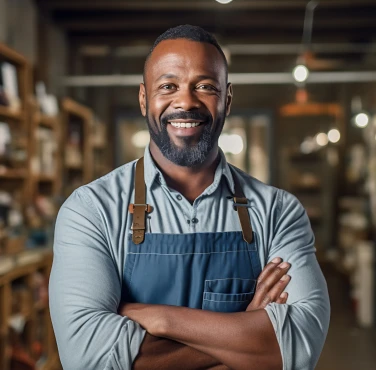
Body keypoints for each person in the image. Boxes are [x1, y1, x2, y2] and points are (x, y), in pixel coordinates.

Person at [49, 25, 330, 370]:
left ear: (227, 99)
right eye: (168, 86)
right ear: (143, 99)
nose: (185, 102)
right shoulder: (91, 209)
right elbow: (88, 358)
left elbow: (300, 347)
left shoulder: (278, 211)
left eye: (205, 86)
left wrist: (161, 320)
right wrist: (248, 333)